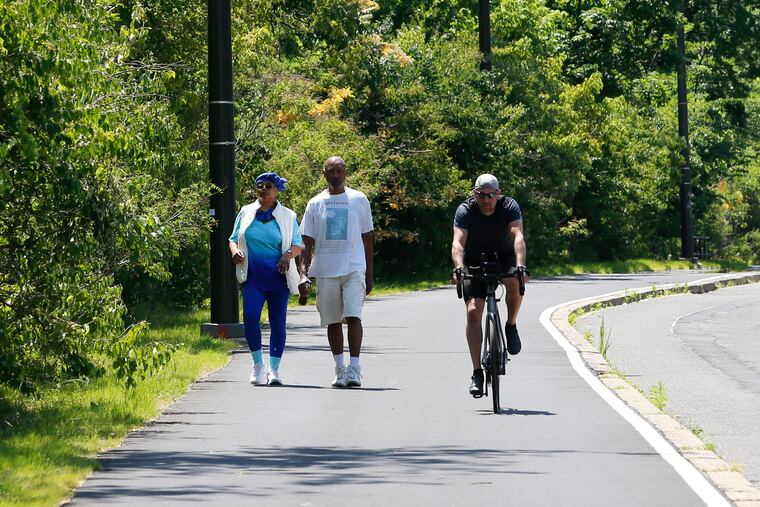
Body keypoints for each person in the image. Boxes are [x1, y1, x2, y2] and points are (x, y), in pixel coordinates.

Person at [299, 156, 374, 388]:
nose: (335, 175)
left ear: (345, 173)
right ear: (324, 174)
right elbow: (306, 242)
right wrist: (303, 272)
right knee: (332, 320)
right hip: (326, 270)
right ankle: (340, 369)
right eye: (331, 171)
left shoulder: (359, 199)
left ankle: (355, 368)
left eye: (339, 170)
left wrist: (369, 274)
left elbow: (368, 239)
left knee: (353, 316)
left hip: (353, 268)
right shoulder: (315, 203)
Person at [451, 173, 528, 398]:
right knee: (473, 312)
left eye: (491, 195)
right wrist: (458, 267)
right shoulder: (465, 210)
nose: (486, 200)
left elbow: (518, 236)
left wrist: (521, 265)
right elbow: (457, 242)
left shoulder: (510, 206)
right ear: (474, 194)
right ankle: (477, 372)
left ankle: (511, 325)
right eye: (481, 195)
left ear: (498, 194)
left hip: (505, 257)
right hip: (474, 261)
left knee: (514, 282)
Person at [229, 172, 303, 386]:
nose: (263, 189)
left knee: (278, 323)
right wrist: (234, 252)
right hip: (253, 276)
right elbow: (233, 239)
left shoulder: (288, 216)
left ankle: (274, 369)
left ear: (277, 190)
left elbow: (298, 244)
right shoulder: (245, 212)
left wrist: (287, 255)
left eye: (268, 186)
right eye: (259, 185)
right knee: (251, 318)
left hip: (279, 278)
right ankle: (257, 363)